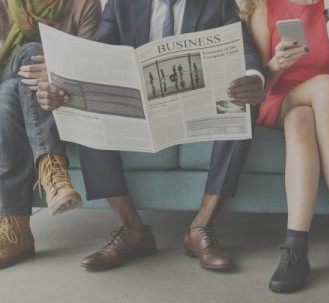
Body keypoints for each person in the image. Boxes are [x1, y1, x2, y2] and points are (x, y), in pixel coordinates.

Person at [36, 0, 265, 272]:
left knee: (242, 102)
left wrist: (254, 78)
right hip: (139, 108)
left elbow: (246, 50)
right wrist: (57, 87)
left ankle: (200, 227)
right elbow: (93, 57)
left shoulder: (218, 4)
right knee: (90, 105)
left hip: (195, 106)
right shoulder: (121, 5)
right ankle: (133, 230)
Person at [240, 0, 329, 293]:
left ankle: (295, 245)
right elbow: (262, 83)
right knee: (327, 84)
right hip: (281, 99)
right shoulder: (263, 5)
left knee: (302, 120)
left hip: (326, 109)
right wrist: (276, 63)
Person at [0, 0, 101, 268]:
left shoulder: (85, 4)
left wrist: (57, 73)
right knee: (30, 51)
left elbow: (89, 65)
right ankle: (53, 171)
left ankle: (15, 230)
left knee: (10, 92)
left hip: (59, 96)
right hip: (9, 69)